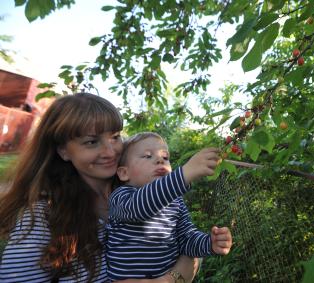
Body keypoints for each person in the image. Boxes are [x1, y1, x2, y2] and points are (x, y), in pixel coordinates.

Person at [0, 93, 205, 282]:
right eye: (91, 142)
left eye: (115, 137)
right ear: (63, 151)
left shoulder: (141, 185)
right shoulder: (44, 215)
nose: (111, 151)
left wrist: (172, 278)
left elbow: (187, 246)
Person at [107, 132, 233, 280]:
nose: (160, 160)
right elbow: (137, 209)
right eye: (148, 156)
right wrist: (185, 174)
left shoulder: (176, 201)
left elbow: (186, 239)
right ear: (124, 173)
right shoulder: (121, 196)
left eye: (165, 157)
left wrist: (209, 243)